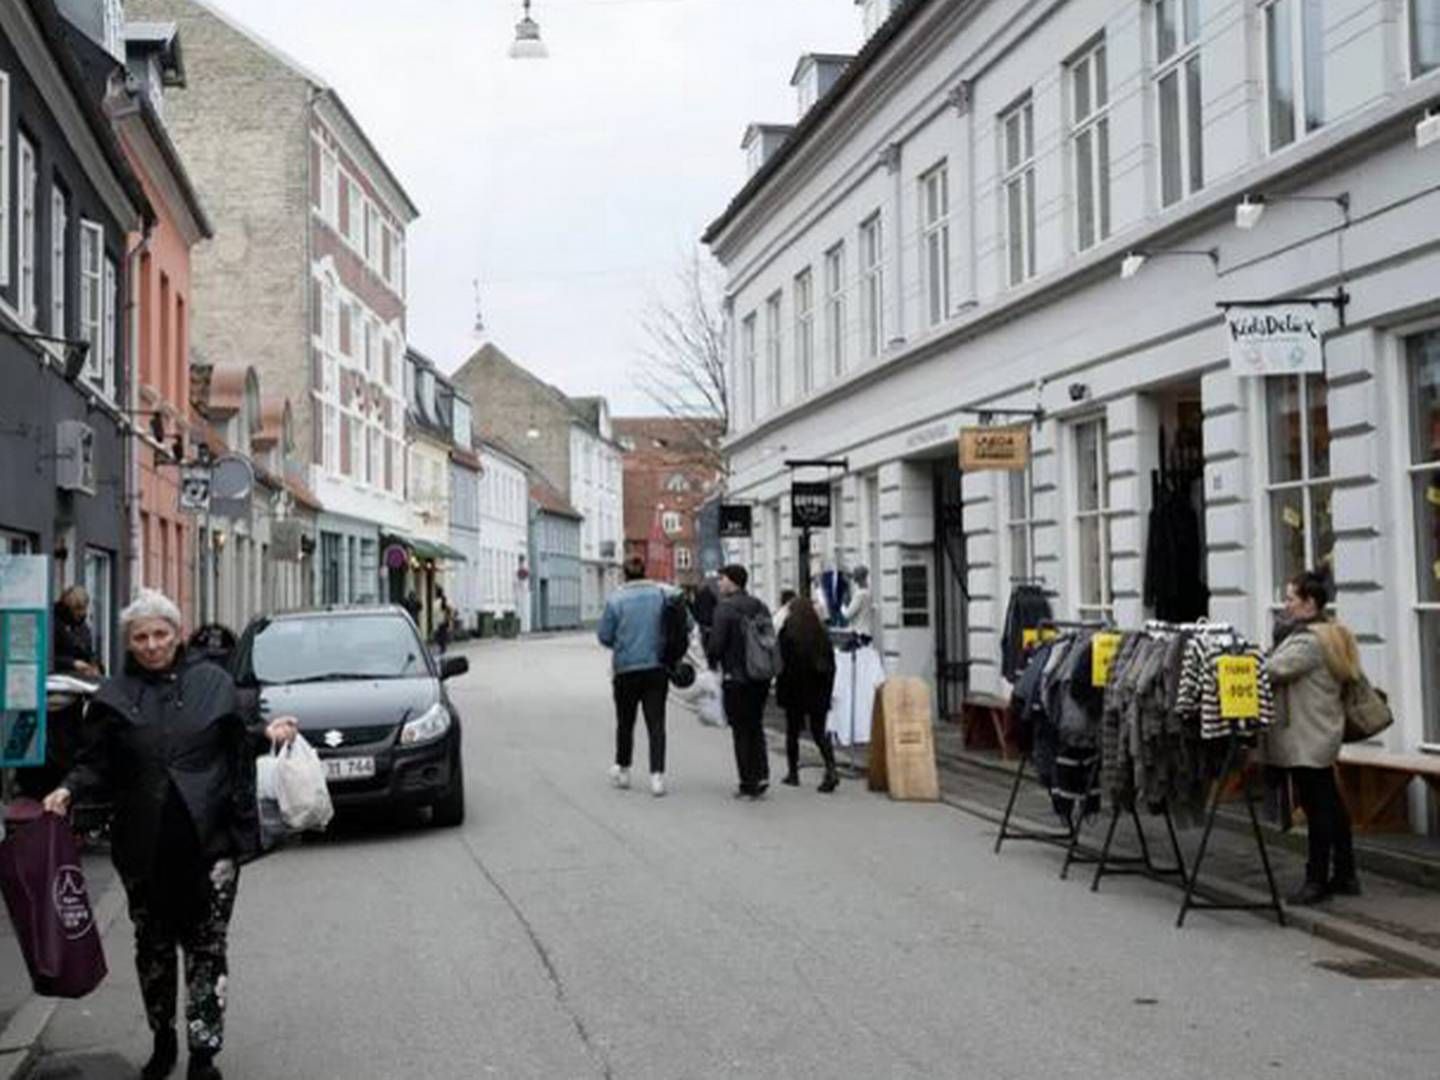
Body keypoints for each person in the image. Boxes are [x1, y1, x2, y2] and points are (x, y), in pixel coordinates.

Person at [41, 590, 298, 1080]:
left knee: (207, 949)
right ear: (128, 642)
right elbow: (94, 763)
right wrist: (67, 790)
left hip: (210, 844)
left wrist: (268, 733)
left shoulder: (213, 683)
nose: (152, 645)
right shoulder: (113, 697)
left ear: (178, 634)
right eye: (141, 637)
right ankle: (162, 1043)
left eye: (161, 634)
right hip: (144, 847)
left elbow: (239, 735)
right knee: (153, 950)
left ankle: (204, 1055)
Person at [1265, 570, 1361, 906]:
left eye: (1291, 598)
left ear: (1309, 603)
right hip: (1320, 730)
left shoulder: (1308, 641)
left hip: (1307, 735)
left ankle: (1316, 880)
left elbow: (1272, 670)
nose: (1286, 605)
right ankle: (1346, 872)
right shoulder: (1330, 633)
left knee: (1317, 808)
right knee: (1330, 804)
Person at [597, 555, 684, 797]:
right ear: (645, 571)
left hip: (626, 670)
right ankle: (657, 777)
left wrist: (621, 641)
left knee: (626, 722)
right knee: (656, 723)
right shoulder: (660, 595)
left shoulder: (616, 599)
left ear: (625, 574)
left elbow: (604, 636)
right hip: (656, 668)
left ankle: (624, 770)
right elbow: (682, 622)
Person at [705, 564, 774, 799]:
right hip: (760, 675)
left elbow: (716, 645)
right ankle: (762, 773)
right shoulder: (760, 605)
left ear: (733, 581)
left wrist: (711, 663)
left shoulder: (724, 609)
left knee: (741, 730)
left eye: (722, 579)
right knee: (756, 725)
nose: (719, 583)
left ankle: (748, 782)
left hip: (735, 677)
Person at [776, 596, 839, 792]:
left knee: (793, 732)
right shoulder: (821, 633)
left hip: (794, 688)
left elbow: (782, 661)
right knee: (819, 732)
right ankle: (831, 768)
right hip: (818, 689)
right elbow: (831, 664)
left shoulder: (788, 631)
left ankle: (793, 774)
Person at [52, 584, 101, 678]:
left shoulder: (81, 625)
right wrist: (72, 663)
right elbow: (47, 657)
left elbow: (87, 651)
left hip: (81, 676)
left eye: (83, 609)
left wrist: (95, 665)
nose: (81, 614)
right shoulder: (53, 624)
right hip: (60, 677)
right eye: (77, 610)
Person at [843, 566, 874, 644]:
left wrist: (842, 606)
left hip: (858, 633)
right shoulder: (868, 592)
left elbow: (847, 614)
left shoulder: (859, 595)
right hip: (868, 632)